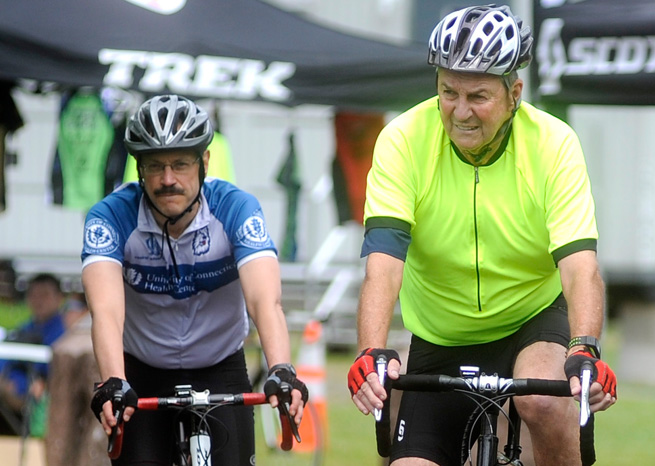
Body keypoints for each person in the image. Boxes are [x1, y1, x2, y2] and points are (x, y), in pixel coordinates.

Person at [347, 5, 617, 466]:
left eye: (478, 96)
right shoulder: (402, 140)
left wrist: (584, 348)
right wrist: (371, 349)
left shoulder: (554, 143)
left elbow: (580, 267)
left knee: (543, 401)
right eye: (448, 92)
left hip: (531, 317)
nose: (460, 111)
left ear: (515, 92)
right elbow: (383, 266)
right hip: (441, 332)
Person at [82, 94, 307, 465]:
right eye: (155, 166)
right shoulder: (110, 216)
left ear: (204, 162)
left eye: (181, 164)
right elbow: (104, 310)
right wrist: (113, 381)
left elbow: (265, 301)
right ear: (138, 168)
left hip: (219, 363)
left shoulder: (236, 207)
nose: (168, 179)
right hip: (141, 368)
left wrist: (282, 369)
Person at [0, 273, 66, 436]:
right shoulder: (23, 329)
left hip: (39, 404)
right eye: (34, 295)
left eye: (45, 295)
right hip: (12, 396)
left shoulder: (64, 334)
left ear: (59, 298)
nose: (39, 300)